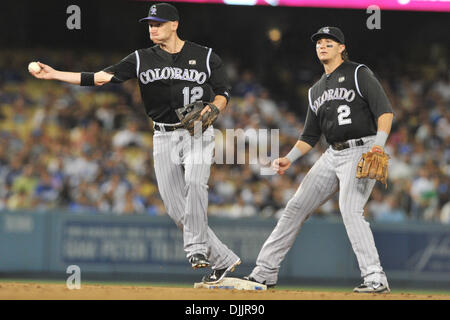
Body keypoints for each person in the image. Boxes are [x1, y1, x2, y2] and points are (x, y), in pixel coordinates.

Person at [29, 2, 240, 284]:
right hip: (163, 135)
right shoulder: (141, 58)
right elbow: (100, 78)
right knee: (176, 208)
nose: (152, 28)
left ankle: (196, 250)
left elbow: (223, 91)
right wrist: (55, 74)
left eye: (158, 23)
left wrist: (215, 107)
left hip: (198, 130)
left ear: (174, 25)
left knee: (195, 182)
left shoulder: (206, 56)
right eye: (150, 24)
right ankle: (224, 260)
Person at [244, 27, 394, 293]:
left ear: (341, 48)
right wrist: (289, 158)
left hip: (363, 148)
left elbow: (385, 112)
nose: (322, 46)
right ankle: (264, 272)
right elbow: (310, 135)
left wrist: (378, 148)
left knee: (350, 209)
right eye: (319, 43)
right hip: (332, 153)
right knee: (295, 207)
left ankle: (375, 277)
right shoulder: (315, 90)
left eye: (329, 42)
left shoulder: (359, 73)